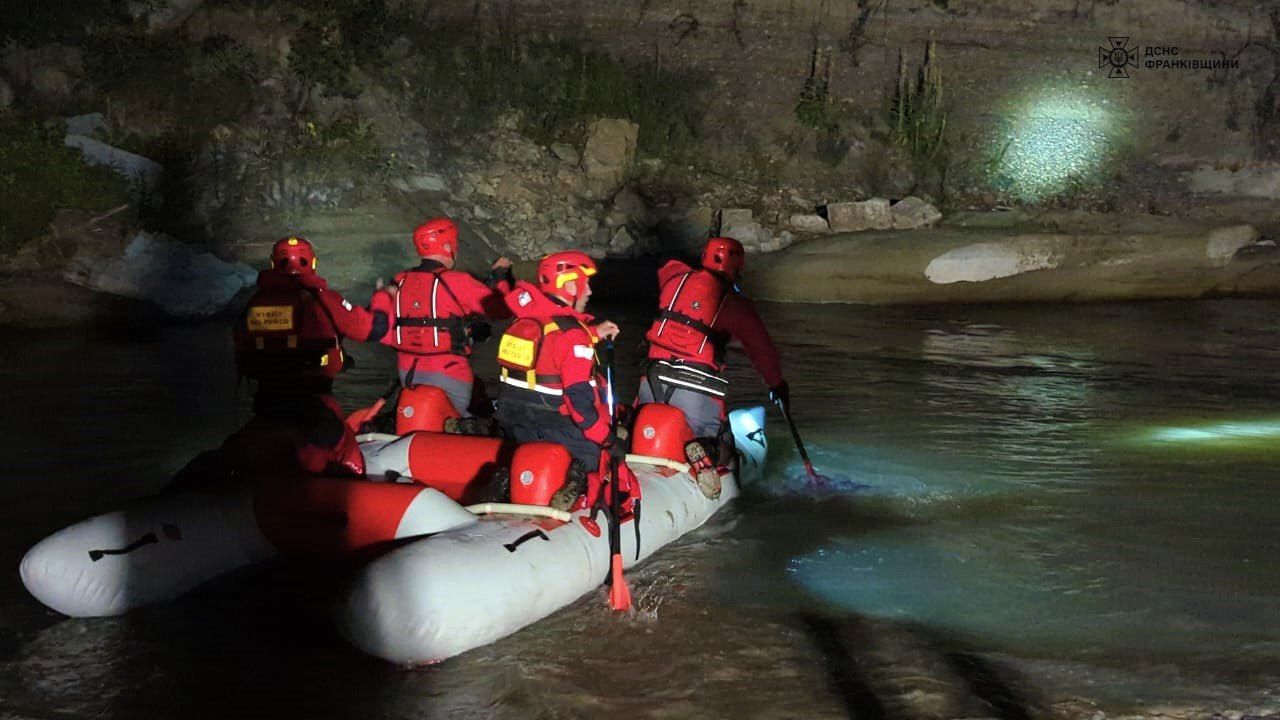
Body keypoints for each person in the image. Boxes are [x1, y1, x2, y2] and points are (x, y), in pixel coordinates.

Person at [638, 236, 788, 497]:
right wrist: (778, 386)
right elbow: (762, 351)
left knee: (642, 423)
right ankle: (705, 451)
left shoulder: (675, 278)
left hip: (651, 379)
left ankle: (630, 429)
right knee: (723, 441)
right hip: (695, 389)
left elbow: (667, 264)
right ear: (738, 268)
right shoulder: (736, 304)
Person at [231, 236, 392, 476]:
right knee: (349, 461)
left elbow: (242, 350)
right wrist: (382, 298)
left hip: (267, 404)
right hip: (314, 405)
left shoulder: (254, 304)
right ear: (312, 262)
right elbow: (373, 329)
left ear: (274, 263)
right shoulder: (324, 300)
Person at [492, 251, 620, 500]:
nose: (590, 292)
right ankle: (579, 484)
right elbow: (578, 401)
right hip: (557, 426)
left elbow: (551, 347)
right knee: (599, 460)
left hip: (515, 422)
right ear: (571, 285)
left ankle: (513, 483)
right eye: (586, 284)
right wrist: (607, 440)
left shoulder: (526, 317)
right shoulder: (572, 335)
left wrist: (593, 333)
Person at [375, 217, 514, 428]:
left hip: (408, 374)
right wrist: (501, 277)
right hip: (448, 374)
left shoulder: (400, 280)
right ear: (448, 246)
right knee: (473, 423)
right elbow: (502, 309)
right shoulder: (457, 281)